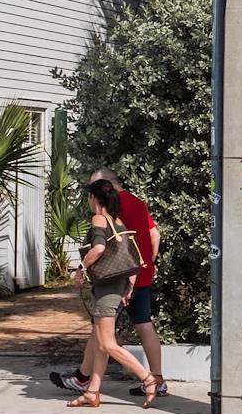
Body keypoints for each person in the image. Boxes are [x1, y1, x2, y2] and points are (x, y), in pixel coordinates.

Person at [51, 169, 165, 398]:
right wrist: (145, 264)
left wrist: (82, 267)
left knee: (103, 335)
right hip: (136, 274)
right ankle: (155, 379)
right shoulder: (138, 203)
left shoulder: (109, 210)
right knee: (143, 325)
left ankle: (88, 379)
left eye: (94, 187)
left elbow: (101, 246)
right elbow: (155, 235)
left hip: (113, 279)